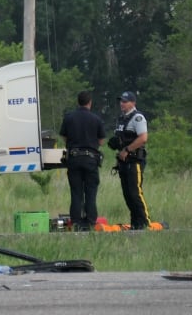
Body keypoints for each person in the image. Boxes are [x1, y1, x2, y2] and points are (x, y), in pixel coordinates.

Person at [59, 91, 106, 231]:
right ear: (89, 102)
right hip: (91, 158)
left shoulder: (69, 117)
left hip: (74, 158)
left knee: (76, 192)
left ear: (77, 102)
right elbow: (101, 141)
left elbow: (64, 137)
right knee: (90, 191)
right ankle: (90, 221)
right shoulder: (96, 119)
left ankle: (76, 222)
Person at [110, 91, 151, 229]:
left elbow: (143, 138)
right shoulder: (121, 119)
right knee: (128, 194)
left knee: (135, 192)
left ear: (133, 103)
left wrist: (127, 150)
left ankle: (145, 222)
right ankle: (135, 223)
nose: (122, 103)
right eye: (121, 101)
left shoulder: (137, 118)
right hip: (123, 162)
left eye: (125, 101)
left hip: (134, 161)